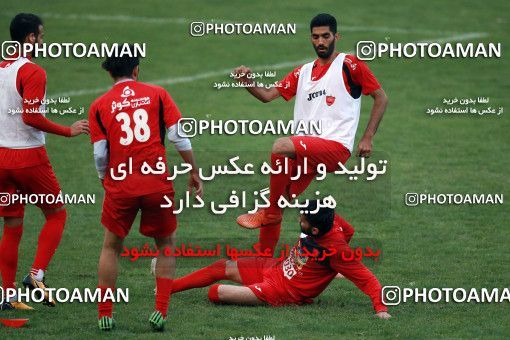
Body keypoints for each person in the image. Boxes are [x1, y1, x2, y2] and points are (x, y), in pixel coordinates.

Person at [233, 13, 388, 255]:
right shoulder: (302, 72)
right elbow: (267, 95)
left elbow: (381, 97)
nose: (320, 42)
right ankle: (261, 263)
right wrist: (247, 82)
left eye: (326, 36)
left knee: (280, 146)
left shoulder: (350, 64)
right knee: (278, 200)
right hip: (306, 153)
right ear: (311, 38)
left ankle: (271, 212)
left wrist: (367, 137)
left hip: (335, 147)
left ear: (336, 36)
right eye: (315, 37)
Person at [88, 50, 203, 331]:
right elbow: (178, 135)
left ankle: (105, 314)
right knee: (165, 244)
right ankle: (160, 312)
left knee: (111, 247)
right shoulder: (158, 94)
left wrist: (106, 181)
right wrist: (194, 170)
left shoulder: (99, 105)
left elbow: (100, 155)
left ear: (109, 73)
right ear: (136, 70)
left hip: (121, 185)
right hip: (156, 183)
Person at [0, 13, 89, 310]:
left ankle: (8, 294)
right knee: (57, 214)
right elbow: (31, 117)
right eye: (40, 36)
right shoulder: (33, 72)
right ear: (30, 38)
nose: (42, 41)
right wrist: (68, 130)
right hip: (28, 157)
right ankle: (36, 275)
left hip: (0, 158)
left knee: (12, 226)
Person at [170, 200, 391, 319]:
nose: (299, 220)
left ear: (314, 229)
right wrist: (331, 268)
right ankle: (168, 288)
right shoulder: (330, 218)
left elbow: (367, 279)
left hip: (283, 291)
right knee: (222, 266)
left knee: (215, 292)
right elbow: (349, 230)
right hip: (277, 266)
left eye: (302, 221)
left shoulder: (337, 249)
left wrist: (381, 309)